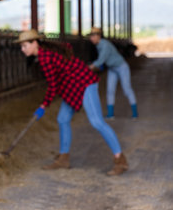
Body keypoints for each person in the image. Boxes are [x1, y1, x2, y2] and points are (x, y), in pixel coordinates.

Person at [15, 29, 128, 176]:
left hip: (84, 82)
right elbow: (68, 47)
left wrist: (43, 105)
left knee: (97, 122)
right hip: (72, 86)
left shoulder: (45, 57)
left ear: (35, 43)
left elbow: (53, 86)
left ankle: (120, 160)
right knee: (62, 119)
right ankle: (63, 159)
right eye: (21, 47)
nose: (22, 50)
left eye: (24, 46)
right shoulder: (46, 52)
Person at [88, 27, 138, 119]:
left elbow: (100, 60)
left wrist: (88, 68)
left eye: (93, 36)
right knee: (110, 90)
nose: (91, 38)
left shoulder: (105, 45)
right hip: (112, 68)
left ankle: (135, 112)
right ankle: (110, 114)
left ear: (98, 36)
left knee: (126, 89)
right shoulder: (98, 45)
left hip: (121, 67)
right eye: (90, 36)